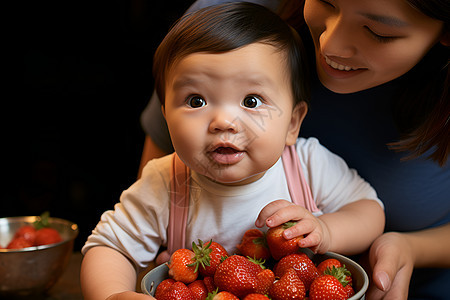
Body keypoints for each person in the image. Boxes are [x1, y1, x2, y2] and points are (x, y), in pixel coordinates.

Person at [139, 0, 450, 299]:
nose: (331, 46)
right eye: (326, 2)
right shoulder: (220, 25)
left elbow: (366, 209)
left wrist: (406, 246)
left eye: (379, 32)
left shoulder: (309, 162)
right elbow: (128, 233)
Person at [81, 3, 385, 300]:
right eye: (196, 101)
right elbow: (109, 248)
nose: (223, 122)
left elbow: (369, 211)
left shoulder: (306, 166)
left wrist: (326, 230)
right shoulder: (166, 182)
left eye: (251, 101)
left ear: (293, 123)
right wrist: (113, 293)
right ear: (166, 118)